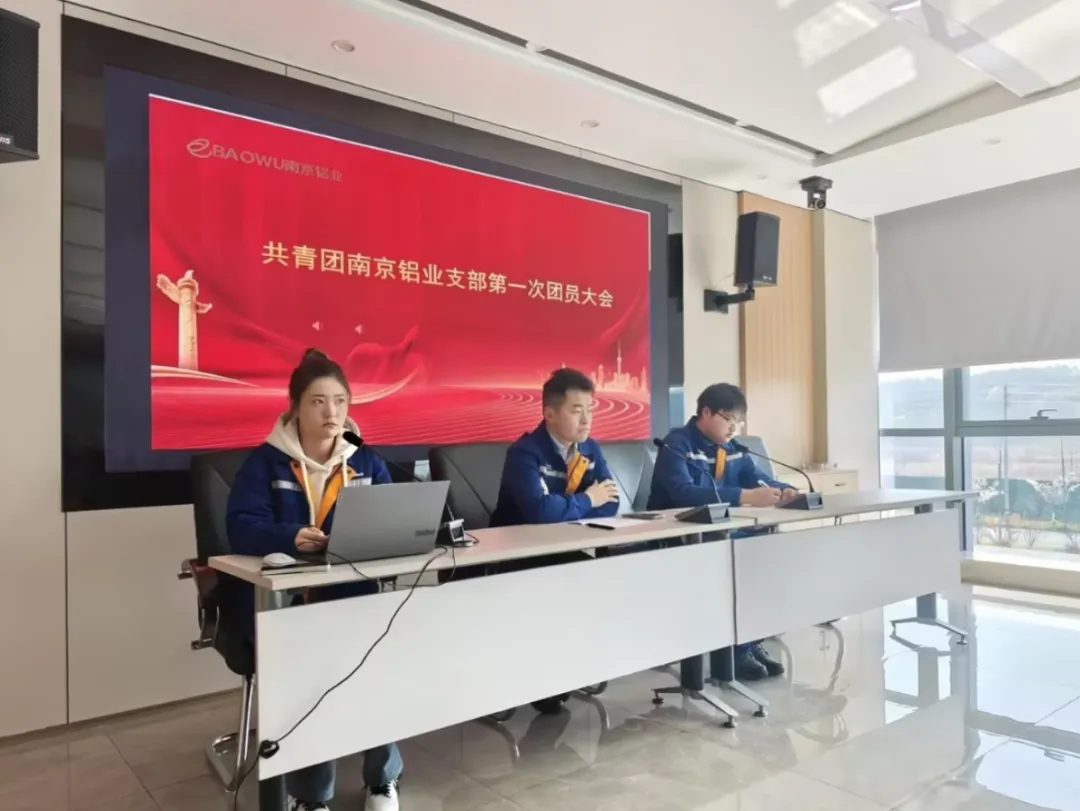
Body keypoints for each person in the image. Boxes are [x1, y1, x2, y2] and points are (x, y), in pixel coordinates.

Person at [226, 349, 401, 811]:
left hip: (352, 596)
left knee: (380, 657)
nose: (331, 413)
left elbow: (392, 515)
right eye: (318, 402)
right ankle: (311, 795)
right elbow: (241, 526)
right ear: (295, 408)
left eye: (340, 401)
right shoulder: (266, 462)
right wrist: (289, 535)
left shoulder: (365, 461)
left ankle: (382, 778)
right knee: (314, 670)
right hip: (289, 604)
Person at [489, 367, 620, 713]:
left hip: (562, 547)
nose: (586, 419)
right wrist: (587, 500)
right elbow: (538, 512)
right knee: (570, 581)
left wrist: (571, 506)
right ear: (549, 413)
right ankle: (540, 677)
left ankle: (564, 669)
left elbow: (612, 501)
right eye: (577, 410)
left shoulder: (589, 448)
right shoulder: (525, 453)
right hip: (517, 554)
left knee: (602, 577)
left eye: (590, 409)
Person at [648, 382, 796, 682]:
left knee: (769, 550)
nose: (733, 428)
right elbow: (684, 493)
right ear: (706, 412)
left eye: (738, 422)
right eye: (729, 419)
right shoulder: (677, 444)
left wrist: (787, 490)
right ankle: (735, 652)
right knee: (745, 557)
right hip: (677, 537)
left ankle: (749, 642)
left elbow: (759, 478)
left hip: (719, 533)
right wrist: (745, 496)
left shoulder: (732, 449)